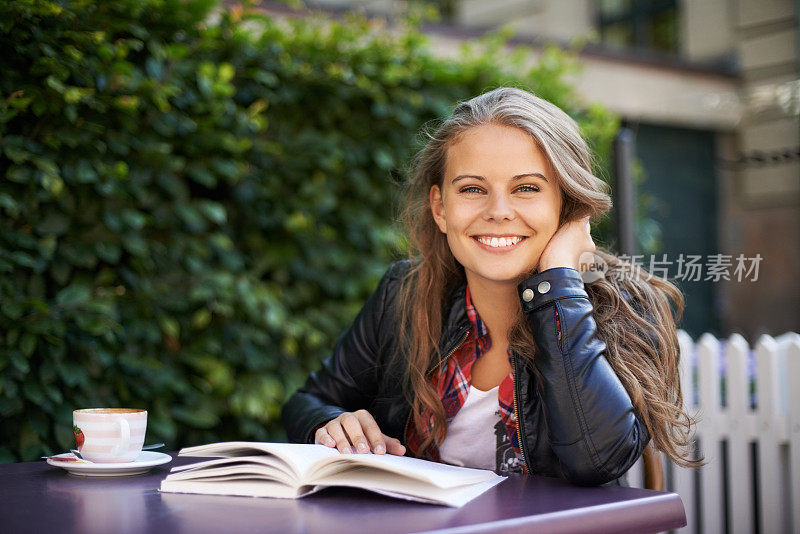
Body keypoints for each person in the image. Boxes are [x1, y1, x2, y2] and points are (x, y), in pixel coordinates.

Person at [281, 87, 699, 486]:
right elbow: (308, 403)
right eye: (473, 189)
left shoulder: (628, 305)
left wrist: (558, 284)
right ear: (440, 208)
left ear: (567, 207)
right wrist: (330, 425)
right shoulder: (402, 293)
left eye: (527, 188)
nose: (498, 211)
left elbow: (596, 461)